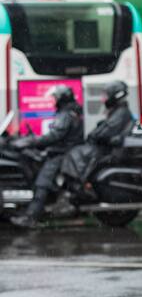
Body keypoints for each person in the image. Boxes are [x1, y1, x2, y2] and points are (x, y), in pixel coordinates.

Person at [10, 85, 83, 228]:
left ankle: (31, 218)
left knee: (42, 183)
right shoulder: (70, 111)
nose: (54, 100)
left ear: (62, 98)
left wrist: (32, 141)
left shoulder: (66, 114)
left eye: (55, 98)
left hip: (61, 154)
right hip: (64, 151)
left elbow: (56, 135)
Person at [59, 80, 134, 193]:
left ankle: (80, 185)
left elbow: (107, 131)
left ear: (115, 95)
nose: (103, 99)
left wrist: (94, 135)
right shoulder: (118, 111)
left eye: (106, 95)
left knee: (74, 153)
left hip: (108, 149)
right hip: (107, 146)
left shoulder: (121, 112)